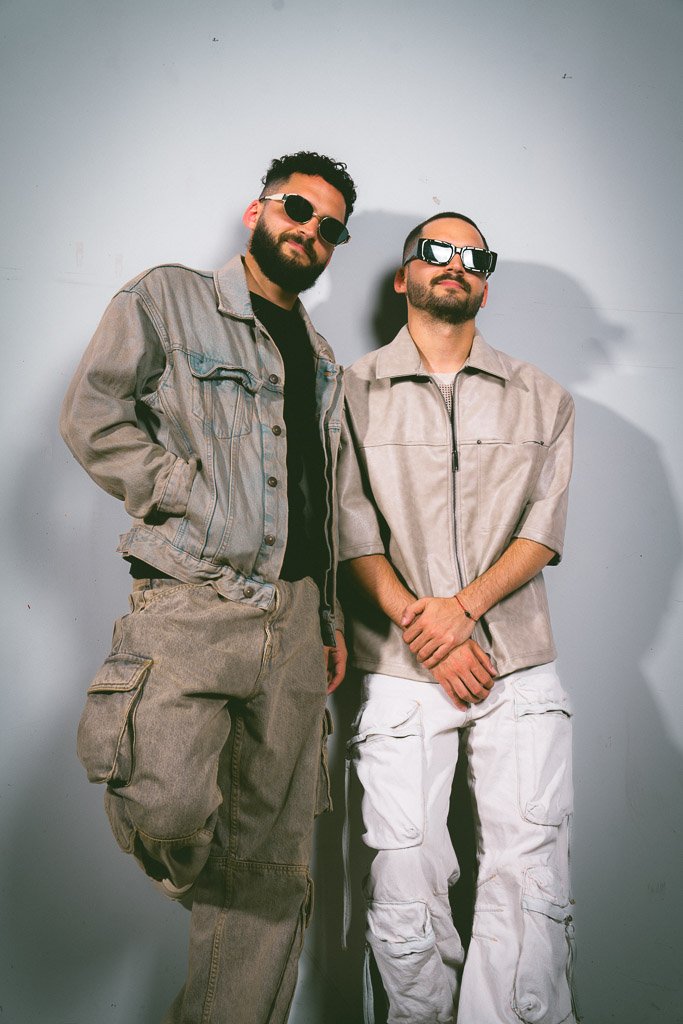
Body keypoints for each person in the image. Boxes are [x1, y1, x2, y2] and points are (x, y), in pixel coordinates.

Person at [60, 150, 356, 1024]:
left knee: (270, 865)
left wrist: (329, 618)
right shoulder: (169, 297)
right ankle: (212, 864)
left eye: (330, 228)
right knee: (169, 802)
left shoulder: (324, 358)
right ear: (257, 211)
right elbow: (91, 414)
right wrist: (186, 493)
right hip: (196, 596)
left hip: (296, 621)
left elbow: (321, 496)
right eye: (297, 209)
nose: (310, 231)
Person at [338, 212, 578, 1024]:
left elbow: (543, 531)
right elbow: (351, 531)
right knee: (403, 877)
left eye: (474, 256)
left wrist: (463, 611)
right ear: (403, 274)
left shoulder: (543, 396)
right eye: (435, 251)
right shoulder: (351, 391)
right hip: (401, 663)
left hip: (518, 663)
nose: (455, 264)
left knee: (529, 877)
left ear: (484, 282)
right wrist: (430, 634)